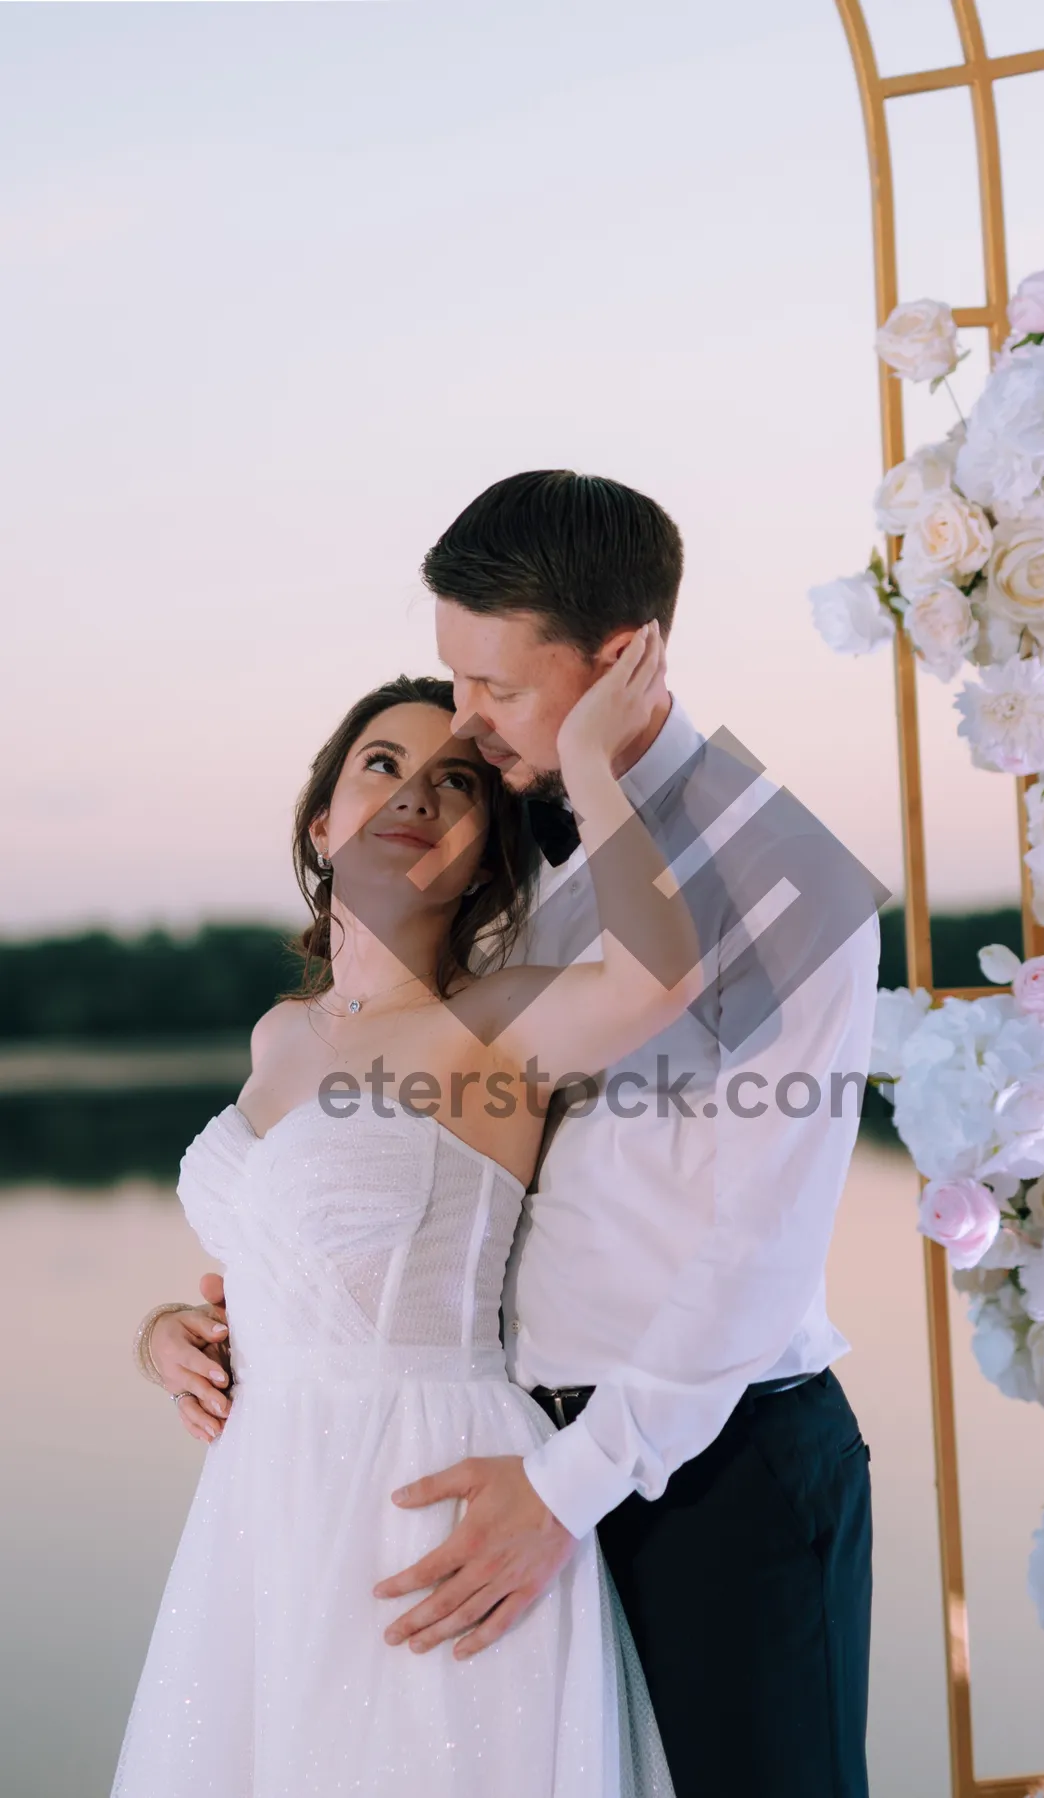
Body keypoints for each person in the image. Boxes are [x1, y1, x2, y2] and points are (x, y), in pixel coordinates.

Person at [149, 471, 883, 1798]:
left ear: (618, 661)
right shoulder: (533, 844)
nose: (468, 727)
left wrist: (568, 1488)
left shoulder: (785, 879)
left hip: (710, 1468)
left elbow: (753, 1253)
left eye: (491, 687)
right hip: (500, 1453)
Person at [114, 648, 697, 1798]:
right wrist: (166, 1332)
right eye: (383, 764)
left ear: (486, 856)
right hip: (265, 1500)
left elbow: (652, 982)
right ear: (323, 822)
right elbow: (278, 1258)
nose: (417, 793)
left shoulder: (490, 1026)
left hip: (426, 1489)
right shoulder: (278, 1036)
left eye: (460, 782)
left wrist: (584, 762)